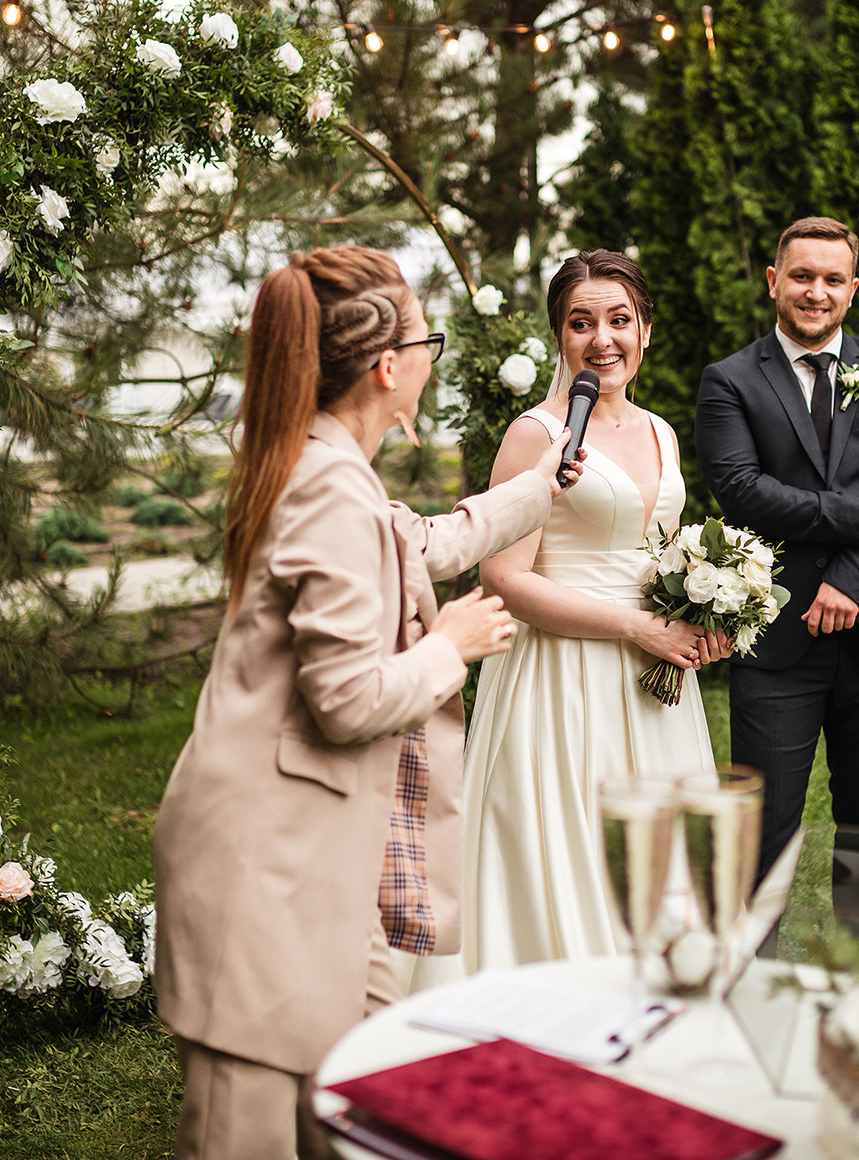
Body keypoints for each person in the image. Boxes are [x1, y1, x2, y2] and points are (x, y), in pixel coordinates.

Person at [151, 246, 582, 1160]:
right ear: (390, 366)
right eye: (427, 341)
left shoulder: (323, 464)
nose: (430, 358)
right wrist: (451, 644)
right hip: (263, 873)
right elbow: (345, 700)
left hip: (318, 866)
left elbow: (422, 541)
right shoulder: (328, 488)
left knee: (362, 1116)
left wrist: (540, 488)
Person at [451, 250, 728, 974]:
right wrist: (636, 626)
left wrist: (709, 607)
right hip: (561, 675)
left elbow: (664, 556)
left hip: (655, 679)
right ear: (560, 336)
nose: (602, 340)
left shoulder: (662, 431)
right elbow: (503, 578)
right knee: (569, 851)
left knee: (659, 854)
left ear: (645, 331)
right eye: (581, 323)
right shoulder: (536, 434)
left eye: (619, 320)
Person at [694, 216, 859, 887]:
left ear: (852, 289)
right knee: (764, 830)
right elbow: (744, 491)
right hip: (778, 636)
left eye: (833, 279)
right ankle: (753, 954)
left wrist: (849, 579)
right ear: (774, 281)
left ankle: (856, 955)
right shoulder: (729, 380)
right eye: (801, 276)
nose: (816, 292)